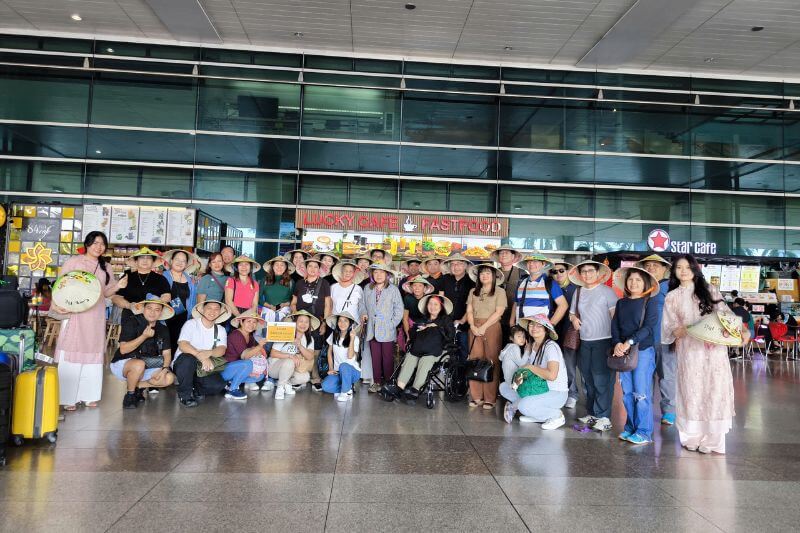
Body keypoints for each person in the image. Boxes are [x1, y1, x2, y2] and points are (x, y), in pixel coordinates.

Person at [662, 254, 746, 454]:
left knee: (714, 390)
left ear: (695, 269)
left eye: (687, 267)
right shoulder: (672, 297)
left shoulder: (710, 290)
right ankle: (691, 436)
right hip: (689, 352)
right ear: (674, 271)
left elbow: (725, 314)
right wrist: (683, 330)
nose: (683, 271)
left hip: (714, 350)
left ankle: (713, 439)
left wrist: (741, 331)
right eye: (679, 267)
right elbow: (669, 327)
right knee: (691, 390)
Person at [52, 231, 118, 410]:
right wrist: (56, 304)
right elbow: (60, 284)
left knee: (93, 351)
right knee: (73, 348)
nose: (99, 247)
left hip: (96, 315)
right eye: (95, 243)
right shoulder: (74, 262)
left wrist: (118, 286)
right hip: (75, 313)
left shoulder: (106, 267)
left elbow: (106, 292)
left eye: (102, 244)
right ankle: (68, 398)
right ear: (87, 244)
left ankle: (89, 396)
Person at [610, 266, 660, 445]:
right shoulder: (621, 303)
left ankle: (644, 432)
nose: (633, 283)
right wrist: (617, 343)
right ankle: (630, 427)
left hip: (643, 351)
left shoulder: (650, 302)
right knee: (627, 393)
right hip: (623, 352)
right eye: (630, 279)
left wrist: (629, 342)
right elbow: (615, 325)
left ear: (645, 283)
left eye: (638, 280)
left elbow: (648, 328)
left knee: (641, 392)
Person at [569, 260, 618, 432]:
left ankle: (604, 417)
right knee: (587, 378)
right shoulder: (578, 291)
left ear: (598, 273)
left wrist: (617, 342)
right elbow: (571, 313)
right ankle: (592, 413)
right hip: (585, 341)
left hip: (604, 341)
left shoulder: (607, 292)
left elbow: (615, 317)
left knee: (602, 380)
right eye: (583, 271)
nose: (587, 274)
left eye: (590, 271)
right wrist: (574, 319)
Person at [500, 315, 568, 429]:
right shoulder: (533, 346)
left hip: (555, 392)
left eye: (539, 325)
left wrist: (530, 367)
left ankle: (557, 416)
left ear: (546, 330)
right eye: (531, 324)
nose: (534, 328)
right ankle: (538, 414)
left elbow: (552, 375)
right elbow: (527, 371)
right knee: (504, 387)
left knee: (523, 406)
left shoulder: (551, 347)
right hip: (537, 388)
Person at [385, 294, 455, 402]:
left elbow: (450, 336)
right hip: (420, 349)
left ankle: (415, 389)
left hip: (438, 351)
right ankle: (399, 388)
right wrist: (417, 329)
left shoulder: (446, 320)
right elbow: (412, 336)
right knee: (410, 357)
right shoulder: (422, 320)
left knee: (426, 359)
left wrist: (437, 327)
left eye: (435, 304)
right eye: (430, 304)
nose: (432, 306)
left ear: (441, 306)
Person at [111, 299, 175, 409]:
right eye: (149, 308)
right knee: (139, 364)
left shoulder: (162, 329)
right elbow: (123, 350)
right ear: (143, 309)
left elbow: (167, 353)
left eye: (157, 310)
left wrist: (165, 369)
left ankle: (137, 386)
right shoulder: (132, 322)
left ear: (161, 312)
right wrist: (144, 336)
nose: (152, 312)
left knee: (169, 378)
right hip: (123, 364)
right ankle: (130, 395)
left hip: (147, 365)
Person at [635, 253, 675, 425]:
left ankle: (669, 412)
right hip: (643, 341)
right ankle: (645, 410)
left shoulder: (670, 287)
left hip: (665, 339)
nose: (651, 268)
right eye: (648, 265)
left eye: (655, 265)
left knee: (667, 377)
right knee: (644, 377)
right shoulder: (641, 285)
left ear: (665, 269)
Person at [172, 300, 231, 407]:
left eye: (216, 309)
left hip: (203, 367)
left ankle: (195, 388)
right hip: (184, 363)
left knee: (218, 385)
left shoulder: (220, 330)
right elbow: (183, 344)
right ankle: (185, 395)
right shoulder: (191, 324)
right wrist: (202, 357)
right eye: (209, 308)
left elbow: (222, 349)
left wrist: (209, 353)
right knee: (188, 359)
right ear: (203, 310)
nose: (212, 311)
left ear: (220, 312)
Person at [465, 262, 507, 410]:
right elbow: (469, 310)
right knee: (475, 360)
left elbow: (499, 312)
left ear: (494, 276)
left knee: (491, 361)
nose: (484, 275)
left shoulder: (500, 291)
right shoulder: (473, 291)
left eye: (488, 273)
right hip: (474, 327)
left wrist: (484, 326)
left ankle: (490, 398)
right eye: (482, 273)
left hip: (492, 327)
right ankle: (476, 396)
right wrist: (472, 326)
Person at [359, 263, 404, 393]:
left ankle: (389, 383)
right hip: (372, 329)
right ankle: (377, 382)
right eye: (376, 272)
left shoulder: (393, 289)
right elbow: (362, 304)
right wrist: (363, 313)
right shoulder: (368, 288)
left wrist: (392, 324)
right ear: (372, 275)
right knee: (375, 357)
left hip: (387, 329)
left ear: (387, 275)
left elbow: (399, 309)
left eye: (382, 272)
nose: (378, 275)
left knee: (387, 358)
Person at [291, 256, 332, 390]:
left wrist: (324, 323)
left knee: (316, 349)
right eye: (310, 266)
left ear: (319, 269)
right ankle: (299, 374)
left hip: (317, 321)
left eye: (316, 267)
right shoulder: (299, 283)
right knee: (299, 346)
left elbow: (327, 305)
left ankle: (315, 376)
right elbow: (293, 302)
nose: (313, 269)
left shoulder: (324, 284)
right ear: (305, 268)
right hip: (301, 322)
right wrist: (295, 316)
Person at [268, 310, 320, 399]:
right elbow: (273, 353)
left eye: (306, 322)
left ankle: (285, 383)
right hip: (275, 367)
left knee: (305, 377)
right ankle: (280, 388)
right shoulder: (285, 333)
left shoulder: (309, 339)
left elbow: (310, 357)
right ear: (295, 322)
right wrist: (290, 356)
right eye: (301, 321)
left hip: (293, 370)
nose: (303, 324)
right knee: (289, 362)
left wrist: (300, 346)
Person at [111, 246, 171, 322]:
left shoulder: (160, 279)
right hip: (130, 317)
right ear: (136, 261)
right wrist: (130, 306)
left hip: (153, 318)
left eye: (149, 258)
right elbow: (115, 297)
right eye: (142, 257)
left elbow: (167, 296)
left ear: (153, 262)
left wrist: (154, 305)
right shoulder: (127, 277)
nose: (145, 260)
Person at [551, 261, 579, 409]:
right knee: (555, 363)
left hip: (570, 331)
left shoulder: (576, 289)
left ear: (568, 272)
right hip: (553, 330)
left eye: (561, 270)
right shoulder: (549, 287)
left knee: (569, 364)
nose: (558, 274)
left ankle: (572, 394)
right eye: (554, 272)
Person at [221, 310, 270, 399]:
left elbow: (259, 353)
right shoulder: (236, 335)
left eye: (254, 322)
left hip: (241, 367)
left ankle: (230, 383)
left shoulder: (250, 337)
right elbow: (245, 356)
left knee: (260, 376)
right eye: (248, 321)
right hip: (227, 369)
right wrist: (259, 347)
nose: (251, 324)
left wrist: (258, 349)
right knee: (248, 363)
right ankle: (232, 390)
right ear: (241, 322)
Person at [510, 254, 568, 327]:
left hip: (539, 328)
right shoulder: (521, 282)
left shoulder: (550, 283)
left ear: (543, 264)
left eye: (535, 261)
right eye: (529, 262)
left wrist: (550, 325)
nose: (531, 264)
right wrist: (511, 322)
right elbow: (516, 303)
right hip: (520, 328)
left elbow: (563, 305)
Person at [162, 249, 200, 355]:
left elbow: (193, 299)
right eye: (177, 259)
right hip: (166, 318)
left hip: (184, 318)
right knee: (166, 346)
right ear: (171, 261)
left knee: (180, 345)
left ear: (186, 264)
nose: (180, 262)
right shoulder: (163, 277)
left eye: (183, 261)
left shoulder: (190, 280)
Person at [321, 311, 362, 402]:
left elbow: (350, 356)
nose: (342, 323)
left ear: (350, 323)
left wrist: (351, 339)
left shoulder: (355, 338)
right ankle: (348, 388)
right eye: (340, 320)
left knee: (344, 365)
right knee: (325, 386)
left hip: (352, 372)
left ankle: (345, 392)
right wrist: (331, 368)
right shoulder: (334, 335)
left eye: (345, 321)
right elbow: (329, 352)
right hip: (338, 372)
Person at [441, 253, 475, 359]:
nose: (456, 267)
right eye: (453, 264)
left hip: (465, 323)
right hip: (446, 322)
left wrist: (463, 320)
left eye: (459, 264)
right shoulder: (445, 279)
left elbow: (473, 304)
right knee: (446, 352)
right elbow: (441, 299)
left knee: (463, 350)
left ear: (465, 266)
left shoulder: (472, 281)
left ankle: (462, 369)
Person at [491, 245, 524, 341]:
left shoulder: (521, 273)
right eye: (501, 253)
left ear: (513, 256)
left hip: (515, 319)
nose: (503, 255)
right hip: (495, 318)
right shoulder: (493, 273)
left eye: (506, 252)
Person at [260, 256, 294, 323]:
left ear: (286, 267)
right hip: (268, 314)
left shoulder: (291, 282)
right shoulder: (264, 280)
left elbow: (293, 300)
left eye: (282, 265)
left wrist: (285, 304)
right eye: (277, 265)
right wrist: (269, 306)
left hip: (285, 315)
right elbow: (258, 298)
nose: (279, 267)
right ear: (272, 266)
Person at [401, 275, 434, 340]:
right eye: (414, 285)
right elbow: (405, 318)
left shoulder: (429, 299)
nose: (417, 288)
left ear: (424, 288)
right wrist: (408, 335)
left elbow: (433, 317)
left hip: (427, 326)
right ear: (411, 287)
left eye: (420, 286)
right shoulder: (408, 298)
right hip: (411, 325)